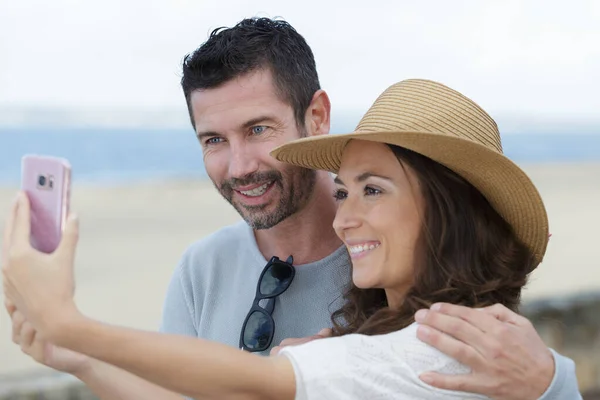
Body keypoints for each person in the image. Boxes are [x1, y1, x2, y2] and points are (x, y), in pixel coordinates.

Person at [4, 18, 579, 399]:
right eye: (213, 140)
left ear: (318, 117)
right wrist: (75, 356)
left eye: (259, 129)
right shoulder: (206, 269)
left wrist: (553, 380)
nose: (239, 165)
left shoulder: (422, 321)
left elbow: (271, 384)